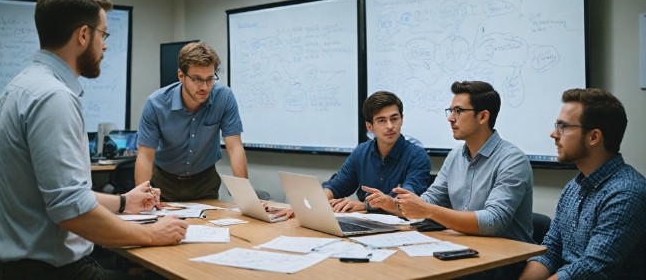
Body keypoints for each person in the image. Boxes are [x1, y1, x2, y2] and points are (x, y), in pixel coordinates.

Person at [0, 0, 189, 279]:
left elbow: (60, 194)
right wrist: (153, 234)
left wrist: (123, 202)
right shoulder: (54, 98)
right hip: (54, 272)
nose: (104, 45)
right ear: (83, 35)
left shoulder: (21, 86)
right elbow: (71, 209)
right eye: (103, 34)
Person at [520, 88, 646, 279]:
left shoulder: (626, 193)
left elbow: (592, 269)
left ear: (594, 137)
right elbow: (551, 251)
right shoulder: (573, 187)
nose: (553, 134)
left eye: (563, 126)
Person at [394, 80, 534, 244]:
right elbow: (430, 200)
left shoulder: (513, 160)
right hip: (465, 248)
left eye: (458, 111)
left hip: (507, 259)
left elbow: (493, 221)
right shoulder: (455, 156)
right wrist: (400, 204)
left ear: (483, 116)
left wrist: (428, 211)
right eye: (451, 111)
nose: (451, 118)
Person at [275, 91, 431, 218]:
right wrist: (305, 206)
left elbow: (407, 204)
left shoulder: (417, 156)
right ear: (370, 126)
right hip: (367, 224)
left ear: (402, 120)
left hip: (403, 230)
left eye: (394, 119)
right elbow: (335, 187)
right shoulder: (361, 152)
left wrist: (365, 206)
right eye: (381, 121)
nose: (390, 126)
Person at [135, 41, 247, 201]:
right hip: (164, 182)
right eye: (197, 79)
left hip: (205, 182)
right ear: (181, 75)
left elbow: (235, 148)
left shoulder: (224, 97)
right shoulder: (156, 104)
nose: (205, 87)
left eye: (210, 79)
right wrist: (143, 198)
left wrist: (244, 197)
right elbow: (145, 156)